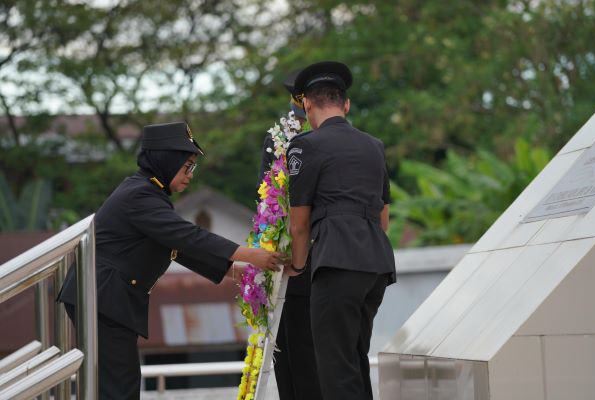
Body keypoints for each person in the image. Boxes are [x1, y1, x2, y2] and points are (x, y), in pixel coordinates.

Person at [57, 121, 283, 400]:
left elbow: (178, 247)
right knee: (119, 386)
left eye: (192, 167)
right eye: (186, 165)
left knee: (116, 384)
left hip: (106, 297)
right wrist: (252, 255)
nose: (190, 175)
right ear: (166, 160)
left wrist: (236, 271)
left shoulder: (149, 193)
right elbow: (189, 237)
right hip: (104, 297)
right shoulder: (140, 195)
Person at [285, 61, 396, 400]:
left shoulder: (304, 146)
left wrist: (299, 265)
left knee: (334, 369)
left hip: (337, 263)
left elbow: (299, 223)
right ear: (345, 104)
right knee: (354, 360)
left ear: (306, 104)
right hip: (376, 265)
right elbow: (384, 217)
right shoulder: (374, 145)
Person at [256, 71, 322, 400]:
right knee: (286, 359)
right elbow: (267, 202)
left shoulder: (325, 140)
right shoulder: (278, 141)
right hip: (286, 259)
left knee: (310, 357)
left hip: (318, 258)